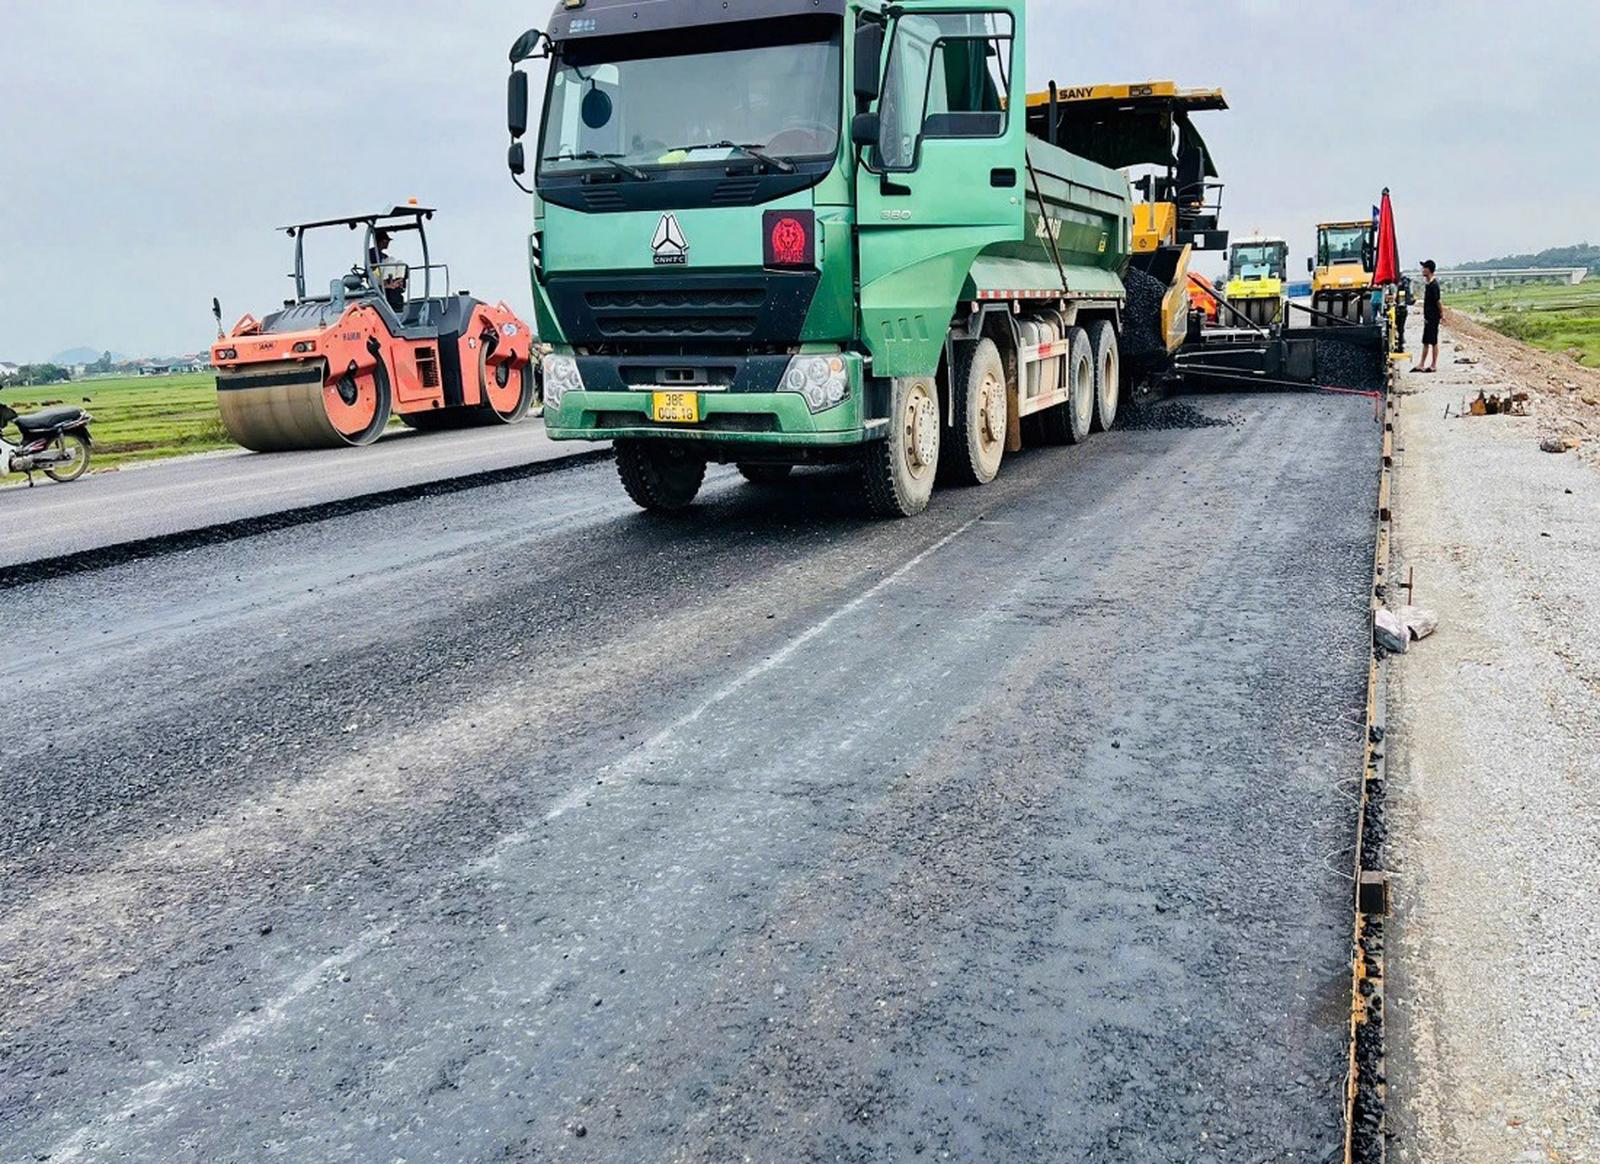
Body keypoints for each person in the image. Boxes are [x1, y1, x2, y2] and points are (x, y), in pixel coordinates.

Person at [368, 229, 408, 312]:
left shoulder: (384, 256)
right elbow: (373, 268)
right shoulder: (372, 253)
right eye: (387, 241)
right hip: (374, 277)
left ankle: (398, 281)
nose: (388, 243)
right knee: (391, 260)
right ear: (382, 241)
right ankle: (387, 283)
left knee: (400, 262)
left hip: (380, 274)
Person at [1414, 260, 1441, 372]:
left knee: (1433, 341)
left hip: (1433, 317)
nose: (1422, 270)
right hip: (1428, 317)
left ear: (1429, 270)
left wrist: (1442, 315)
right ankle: (1421, 364)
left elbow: (1438, 301)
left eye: (1424, 268)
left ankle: (1433, 365)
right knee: (1425, 341)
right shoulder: (1428, 284)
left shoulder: (1434, 285)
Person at [1394, 274, 1412, 354]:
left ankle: (1400, 345)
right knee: (1400, 328)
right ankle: (1400, 342)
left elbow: (1404, 300)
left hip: (1400, 309)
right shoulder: (1403, 284)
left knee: (1400, 328)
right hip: (1401, 309)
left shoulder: (1402, 285)